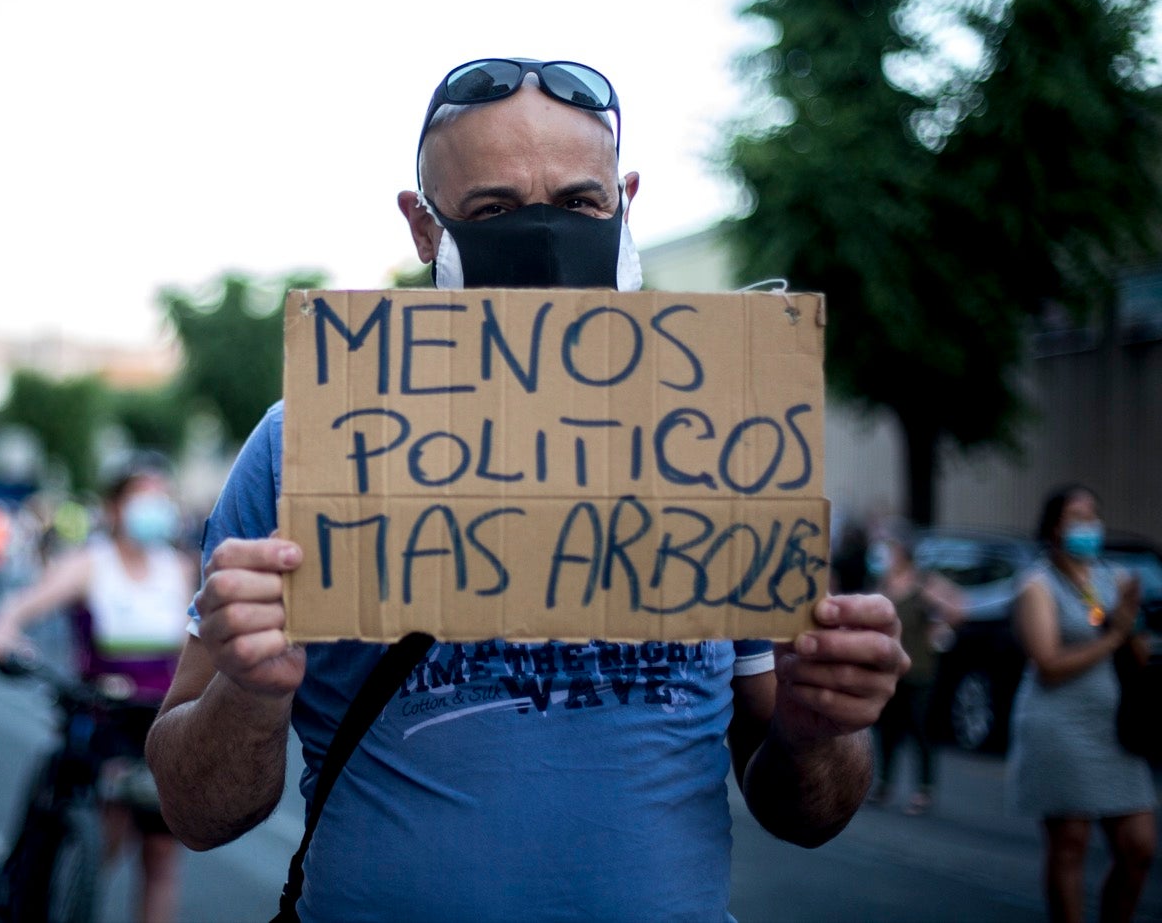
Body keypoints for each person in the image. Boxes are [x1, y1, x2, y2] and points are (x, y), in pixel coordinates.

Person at [146, 57, 910, 921]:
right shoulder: (311, 438)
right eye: (495, 209)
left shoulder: (724, 440)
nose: (545, 238)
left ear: (625, 201)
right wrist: (248, 692)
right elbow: (194, 810)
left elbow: (807, 811)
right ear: (424, 227)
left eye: (580, 203)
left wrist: (819, 728)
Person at [0, 455, 195, 923]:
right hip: (106, 719)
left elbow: (198, 647)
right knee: (105, 842)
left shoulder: (178, 568)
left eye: (163, 497)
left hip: (165, 721)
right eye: (144, 498)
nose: (156, 508)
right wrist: (2, 629)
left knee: (161, 856)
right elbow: (24, 603)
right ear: (114, 507)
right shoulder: (90, 563)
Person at [1009, 484, 1156, 923]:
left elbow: (1140, 655)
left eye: (1093, 515)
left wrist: (1129, 626)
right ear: (1055, 526)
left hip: (1113, 727)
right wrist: (1112, 635)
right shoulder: (1036, 585)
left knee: (1139, 846)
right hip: (1059, 724)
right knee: (1069, 843)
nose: (1088, 525)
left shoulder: (1112, 579)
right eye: (1077, 516)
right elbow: (1048, 662)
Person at [869, 521, 963, 816]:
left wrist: (939, 617)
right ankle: (884, 785)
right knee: (886, 730)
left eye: (891, 550)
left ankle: (924, 789)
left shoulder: (923, 583)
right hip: (887, 669)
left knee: (920, 729)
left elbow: (959, 608)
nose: (886, 556)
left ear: (903, 553)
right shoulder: (883, 584)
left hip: (919, 669)